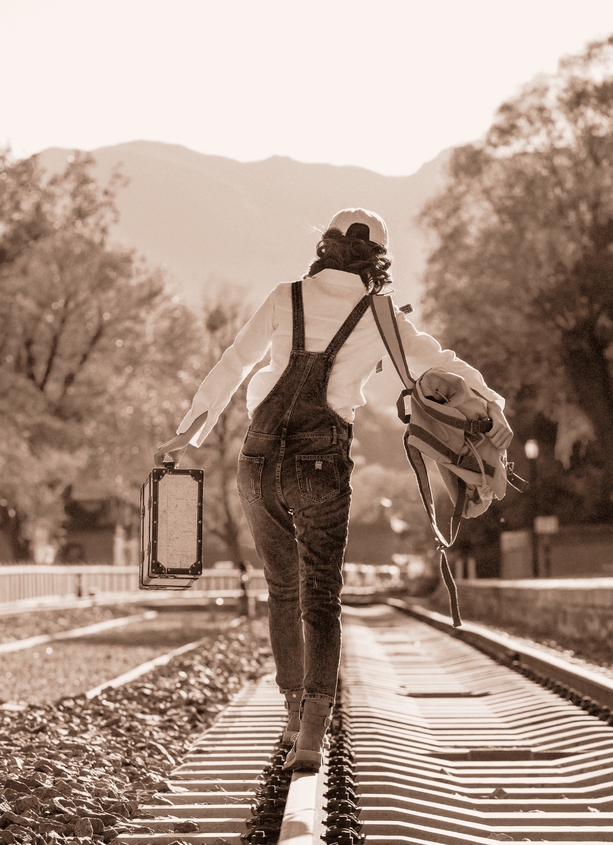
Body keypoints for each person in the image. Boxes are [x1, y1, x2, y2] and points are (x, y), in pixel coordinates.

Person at [154, 208, 513, 771]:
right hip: (320, 462)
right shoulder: (382, 315)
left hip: (259, 458)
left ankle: (292, 711)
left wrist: (189, 433)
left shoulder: (285, 296)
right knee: (321, 594)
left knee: (283, 590)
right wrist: (491, 403)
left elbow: (234, 364)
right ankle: (311, 737)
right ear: (378, 261)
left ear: (325, 247)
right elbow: (439, 364)